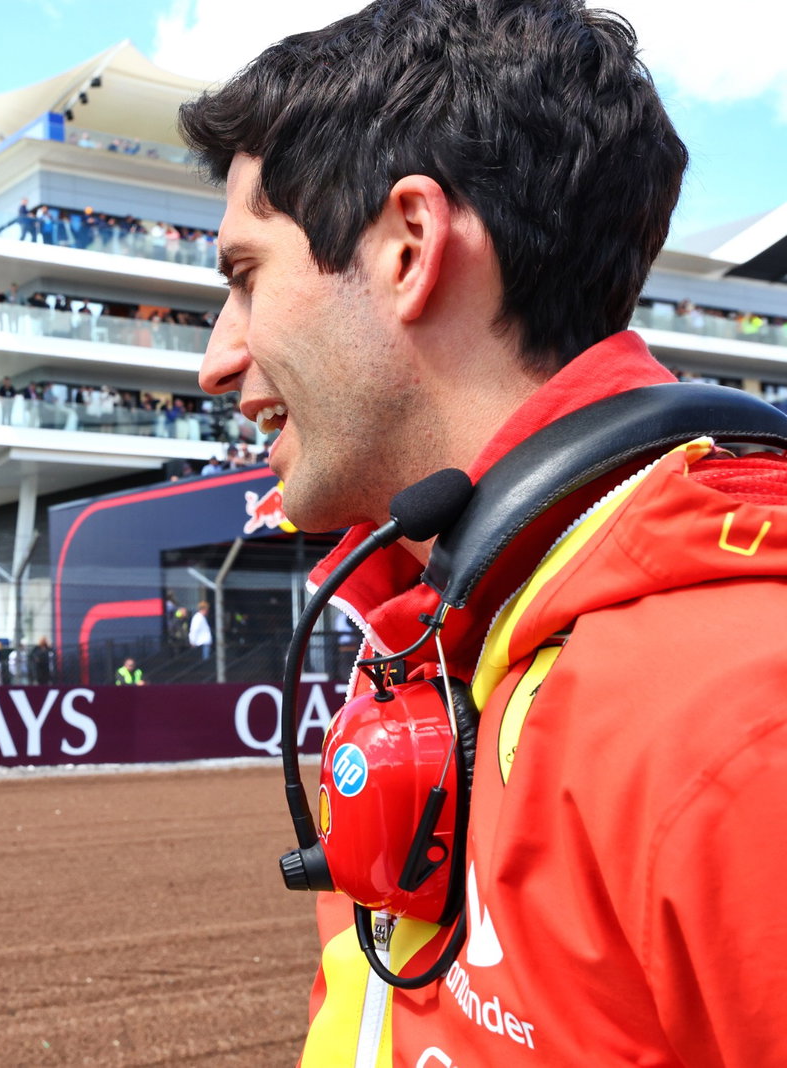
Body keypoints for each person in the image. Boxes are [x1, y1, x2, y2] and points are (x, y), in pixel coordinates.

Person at [182, 1, 787, 1064]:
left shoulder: (740, 719)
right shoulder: (438, 641)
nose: (215, 361)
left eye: (243, 277)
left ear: (408, 248)